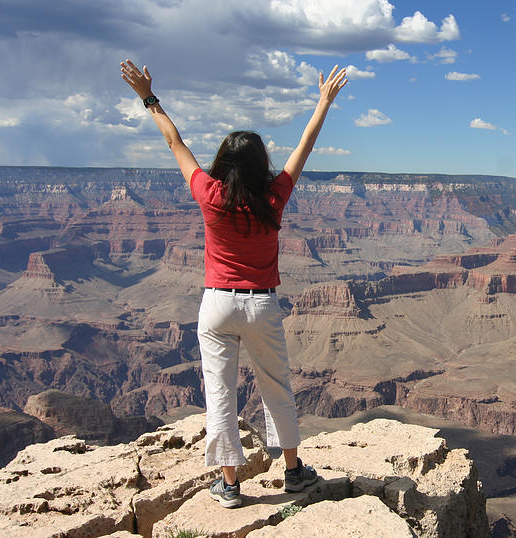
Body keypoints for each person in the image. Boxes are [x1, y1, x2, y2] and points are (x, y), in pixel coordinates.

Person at [120, 59, 347, 508]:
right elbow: (306, 144)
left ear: (223, 161)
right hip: (262, 306)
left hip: (218, 305)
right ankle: (294, 473)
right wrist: (323, 102)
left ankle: (229, 484)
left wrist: (147, 97)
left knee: (220, 392)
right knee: (276, 386)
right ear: (261, 162)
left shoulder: (209, 194)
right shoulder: (274, 195)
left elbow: (174, 141)